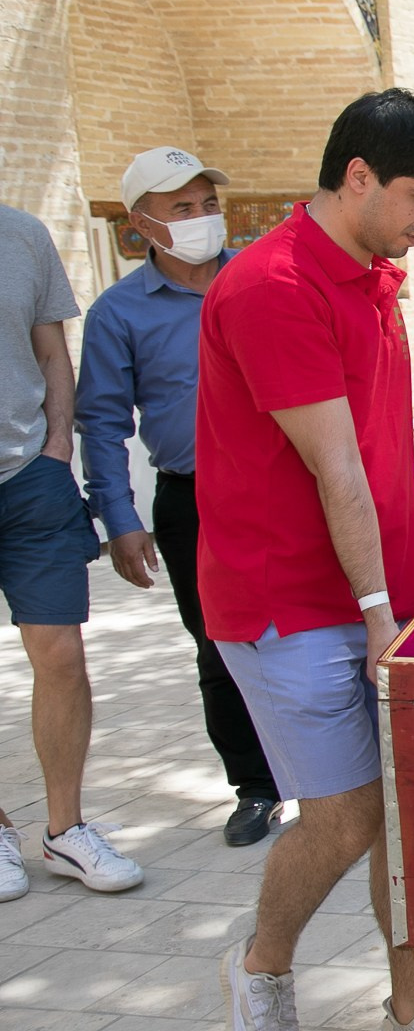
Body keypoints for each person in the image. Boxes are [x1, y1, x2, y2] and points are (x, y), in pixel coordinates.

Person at [200, 89, 414, 1031]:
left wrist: (399, 597)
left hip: (375, 593)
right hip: (286, 604)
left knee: (407, 813)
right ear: (357, 179)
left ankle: (413, 1011)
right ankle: (260, 964)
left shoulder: (369, 276)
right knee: (343, 817)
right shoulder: (274, 288)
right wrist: (382, 612)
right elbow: (334, 471)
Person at [77, 148, 279, 848]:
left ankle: (336, 775)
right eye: (182, 209)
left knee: (318, 630)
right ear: (141, 225)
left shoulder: (263, 278)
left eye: (208, 205)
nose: (202, 220)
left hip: (288, 489)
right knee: (221, 647)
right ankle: (256, 787)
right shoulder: (117, 314)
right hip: (193, 502)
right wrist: (120, 520)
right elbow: (101, 421)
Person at [0, 199, 133, 902]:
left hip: (29, 481)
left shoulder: (22, 235)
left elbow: (52, 350)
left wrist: (57, 448)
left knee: (61, 655)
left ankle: (63, 830)